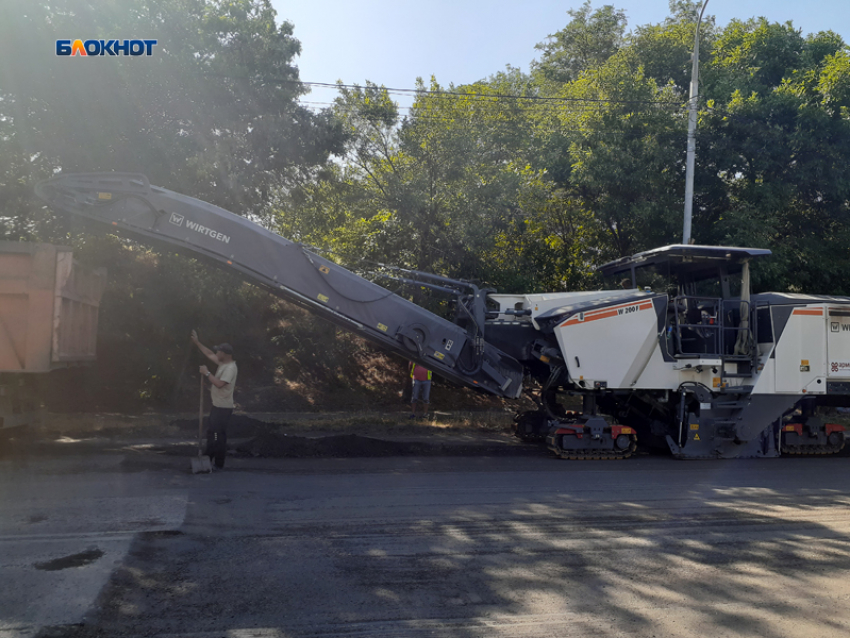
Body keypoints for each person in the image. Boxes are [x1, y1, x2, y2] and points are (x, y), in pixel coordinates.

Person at [190, 330, 238, 469]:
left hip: (223, 408)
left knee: (217, 435)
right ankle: (213, 459)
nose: (216, 354)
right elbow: (209, 353)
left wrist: (207, 373)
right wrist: (197, 342)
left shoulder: (230, 368)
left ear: (224, 354)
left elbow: (220, 384)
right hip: (218, 406)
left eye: (218, 352)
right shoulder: (224, 363)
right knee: (214, 434)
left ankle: (215, 460)